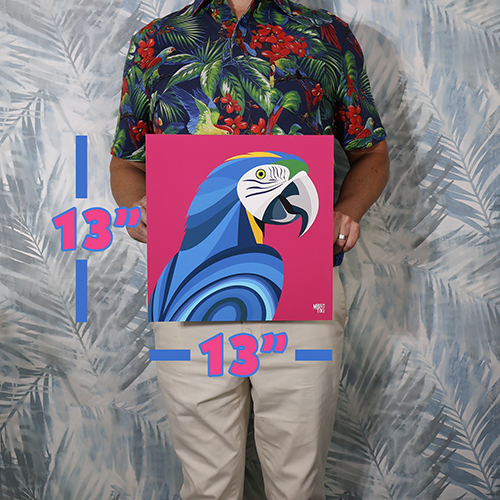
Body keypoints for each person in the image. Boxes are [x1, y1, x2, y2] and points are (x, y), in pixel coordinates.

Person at [109, 0, 390, 499]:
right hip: (188, 297)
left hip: (304, 293)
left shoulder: (328, 36)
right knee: (208, 486)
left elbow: (371, 152)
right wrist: (137, 208)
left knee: (297, 484)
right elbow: (126, 162)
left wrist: (348, 210)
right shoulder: (156, 41)